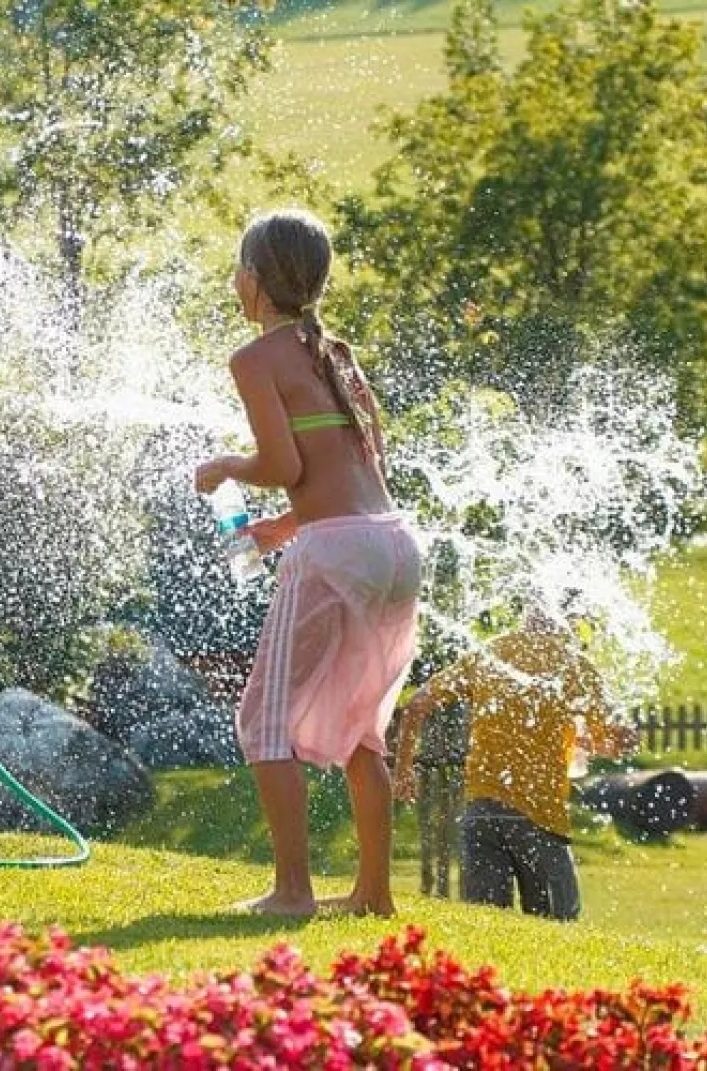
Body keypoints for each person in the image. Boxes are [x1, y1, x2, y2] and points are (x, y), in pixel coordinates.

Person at [194, 209, 421, 917]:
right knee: (362, 726)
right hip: (394, 542)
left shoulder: (255, 357)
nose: (235, 280)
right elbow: (360, 468)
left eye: (239, 268)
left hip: (338, 549)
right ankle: (373, 894)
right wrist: (286, 526)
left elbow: (283, 462)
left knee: (264, 717)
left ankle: (292, 891)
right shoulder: (339, 354)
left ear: (255, 280)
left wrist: (226, 465)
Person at [393, 599, 635, 920]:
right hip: (541, 821)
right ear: (565, 620)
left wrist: (404, 771)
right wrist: (597, 740)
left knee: (486, 928)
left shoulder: (488, 654)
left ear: (525, 617)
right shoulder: (574, 664)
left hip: (482, 816)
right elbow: (622, 739)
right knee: (559, 925)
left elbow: (418, 705)